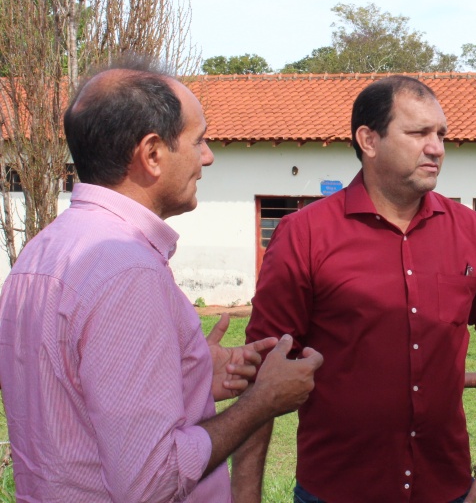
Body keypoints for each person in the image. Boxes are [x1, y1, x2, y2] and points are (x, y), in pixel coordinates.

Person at [0, 63, 325, 502]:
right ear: (152, 154)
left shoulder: (42, 252)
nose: (207, 157)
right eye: (198, 140)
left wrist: (184, 376)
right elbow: (152, 481)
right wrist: (261, 402)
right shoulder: (126, 269)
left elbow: (73, 401)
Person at [232, 75, 476, 503]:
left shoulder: (471, 232)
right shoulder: (305, 234)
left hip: (446, 490)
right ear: (368, 140)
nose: (436, 148)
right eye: (418, 133)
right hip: (335, 491)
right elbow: (262, 369)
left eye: (441, 134)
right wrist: (245, 496)